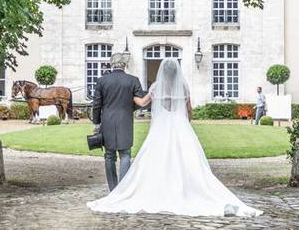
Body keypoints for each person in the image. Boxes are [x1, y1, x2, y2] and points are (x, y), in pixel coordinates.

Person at [87, 58, 262, 217]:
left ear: (162, 72)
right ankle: (183, 189)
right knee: (186, 160)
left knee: (153, 159)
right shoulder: (184, 87)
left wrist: (128, 96)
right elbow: (189, 110)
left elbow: (142, 103)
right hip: (180, 127)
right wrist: (187, 121)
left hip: (160, 128)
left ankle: (140, 190)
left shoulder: (156, 87)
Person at [90, 53, 145, 191]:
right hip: (125, 120)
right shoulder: (133, 80)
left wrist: (96, 123)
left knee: (109, 155)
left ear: (111, 64)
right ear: (124, 64)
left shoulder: (102, 81)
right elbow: (141, 102)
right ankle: (123, 190)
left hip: (107, 121)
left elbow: (96, 104)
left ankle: (113, 189)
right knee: (125, 154)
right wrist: (129, 108)